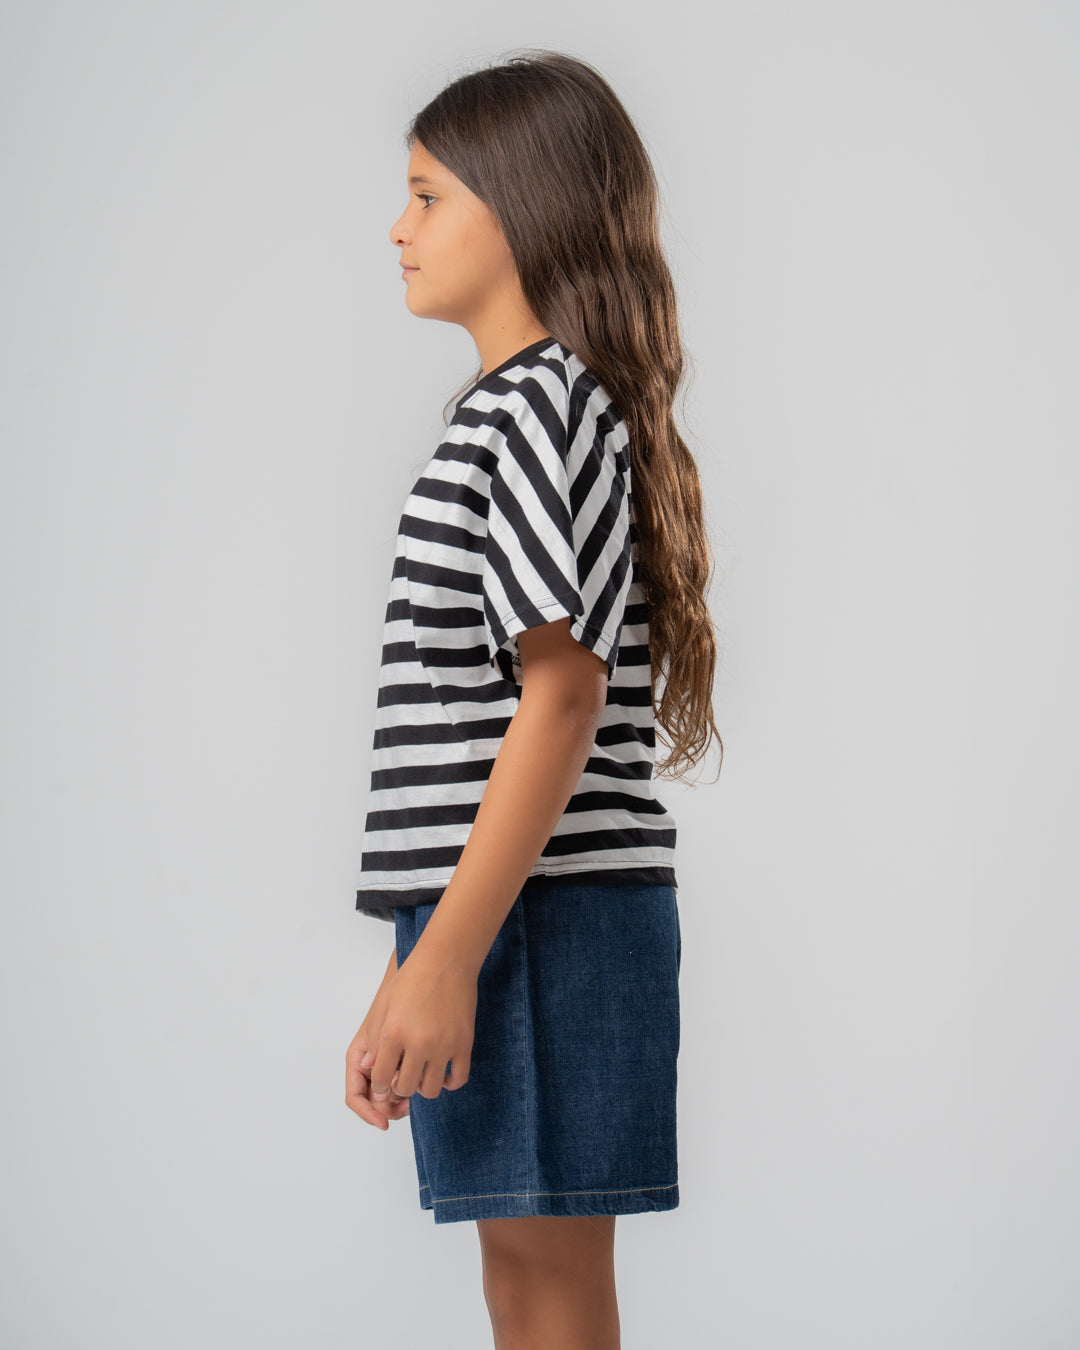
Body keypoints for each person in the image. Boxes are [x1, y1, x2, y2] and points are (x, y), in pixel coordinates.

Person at [344, 49, 722, 1350]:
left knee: (546, 1286)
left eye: (427, 196)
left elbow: (560, 699)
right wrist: (417, 960)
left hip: (538, 915)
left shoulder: (536, 408)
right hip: (508, 910)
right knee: (525, 1282)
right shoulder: (521, 410)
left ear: (522, 206)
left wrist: (447, 956)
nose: (398, 228)